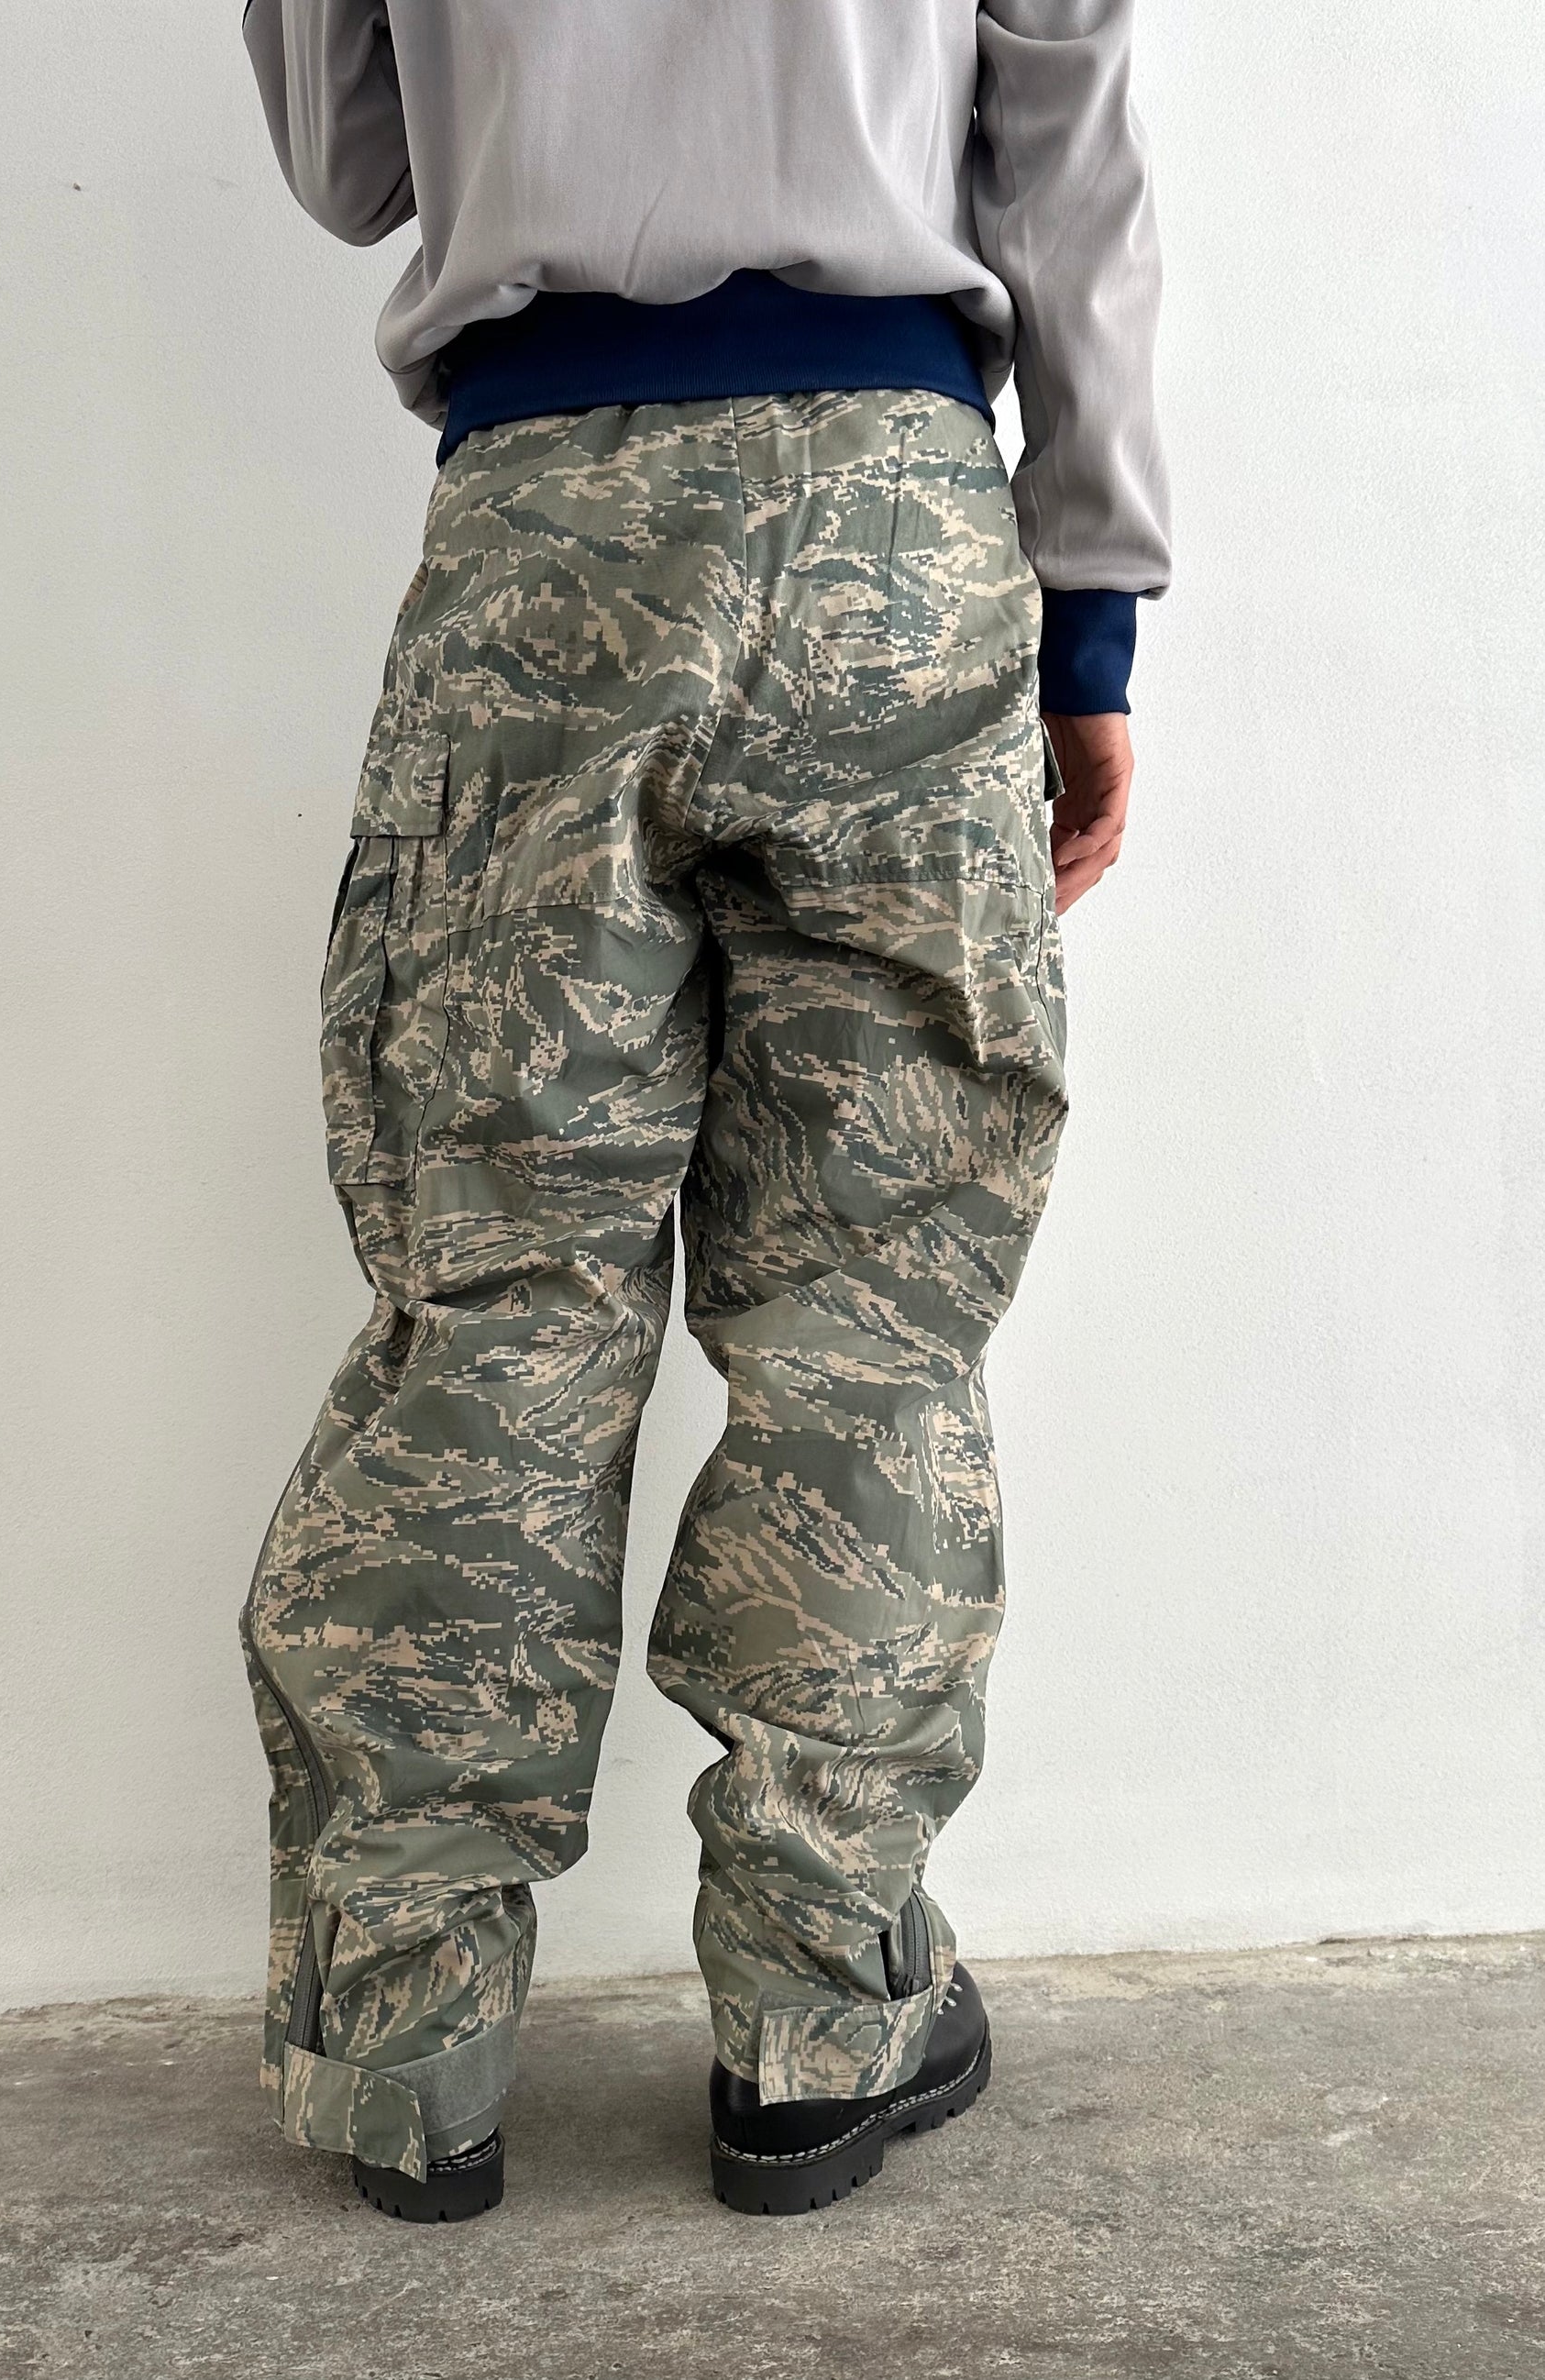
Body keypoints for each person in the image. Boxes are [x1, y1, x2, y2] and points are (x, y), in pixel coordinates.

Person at [238, 0, 1170, 2222]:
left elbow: (352, 162)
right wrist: (1093, 620)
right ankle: (820, 2018)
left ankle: (405, 2043)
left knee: (494, 1300)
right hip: (893, 537)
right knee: (871, 1316)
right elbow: (1069, 148)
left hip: (546, 536)